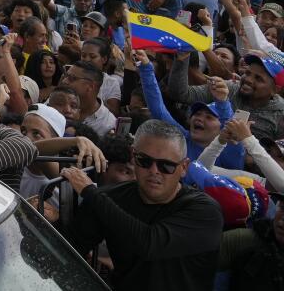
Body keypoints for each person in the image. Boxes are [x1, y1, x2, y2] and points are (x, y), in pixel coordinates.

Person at [61, 119, 223, 291]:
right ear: (133, 157)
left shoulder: (204, 211)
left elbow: (149, 244)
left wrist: (90, 192)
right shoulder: (110, 198)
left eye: (166, 165)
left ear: (184, 167)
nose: (154, 171)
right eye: (144, 161)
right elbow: (69, 250)